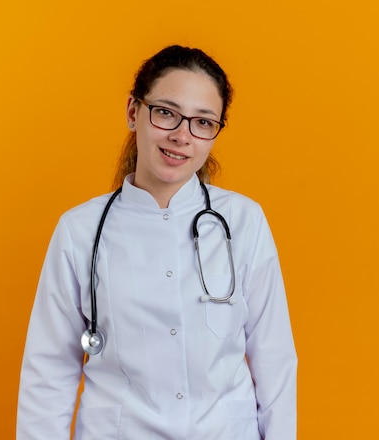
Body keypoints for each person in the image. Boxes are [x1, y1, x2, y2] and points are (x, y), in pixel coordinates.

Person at [17, 45, 297, 440]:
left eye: (203, 122)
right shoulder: (80, 230)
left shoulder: (244, 222)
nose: (182, 136)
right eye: (166, 113)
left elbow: (274, 359)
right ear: (134, 112)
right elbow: (48, 371)